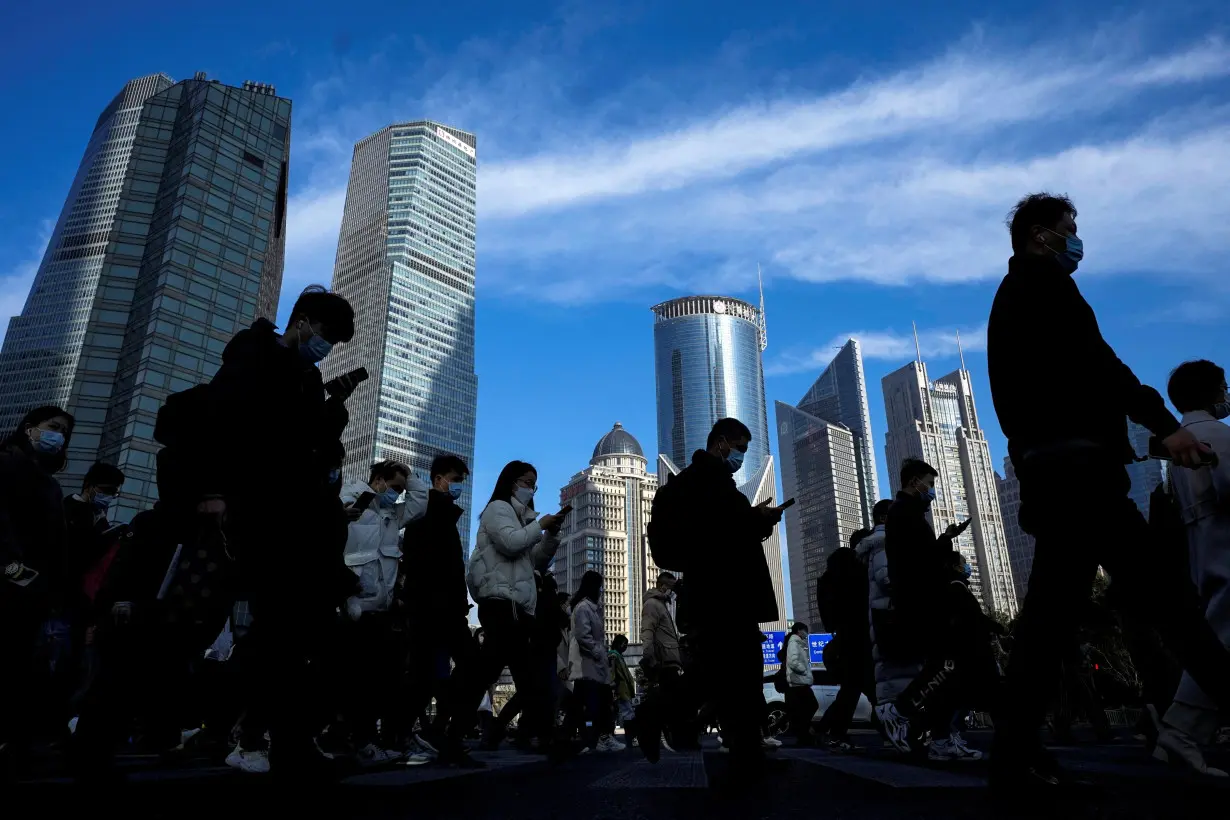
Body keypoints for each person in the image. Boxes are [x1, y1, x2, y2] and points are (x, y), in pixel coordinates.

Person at [986, 193, 1230, 791]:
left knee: (1049, 621)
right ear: (1041, 236)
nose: (1078, 241)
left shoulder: (1016, 296)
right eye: (1070, 230)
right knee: (1173, 604)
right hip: (1080, 478)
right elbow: (1102, 366)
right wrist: (1164, 425)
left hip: (1057, 473)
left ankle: (1013, 752)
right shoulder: (1044, 289)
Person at [191, 285, 359, 778]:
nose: (326, 347)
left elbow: (310, 443)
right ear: (302, 321)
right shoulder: (253, 355)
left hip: (299, 518)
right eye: (325, 335)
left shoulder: (308, 377)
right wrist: (216, 491)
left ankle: (281, 735)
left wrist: (334, 408)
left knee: (298, 634)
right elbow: (220, 423)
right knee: (274, 631)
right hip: (261, 512)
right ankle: (236, 732)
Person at [644, 417, 787, 776]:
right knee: (729, 673)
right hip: (726, 594)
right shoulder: (711, 485)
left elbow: (716, 533)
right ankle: (658, 713)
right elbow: (723, 535)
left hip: (711, 593)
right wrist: (759, 520)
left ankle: (742, 749)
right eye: (739, 448)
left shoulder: (698, 485)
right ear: (721, 443)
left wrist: (753, 520)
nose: (741, 455)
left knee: (730, 674)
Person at [1151, 360, 1230, 776]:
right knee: (1221, 637)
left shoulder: (1181, 443)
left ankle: (1180, 734)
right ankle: (1180, 731)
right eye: (1224, 386)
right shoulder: (1217, 435)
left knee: (1217, 633)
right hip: (1224, 537)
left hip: (1200, 542)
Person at [465, 461, 565, 754]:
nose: (529, 488)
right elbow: (510, 543)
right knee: (516, 673)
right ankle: (542, 737)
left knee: (520, 674)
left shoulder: (522, 517)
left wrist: (552, 534)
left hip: (517, 606)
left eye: (533, 484)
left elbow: (536, 559)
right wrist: (539, 526)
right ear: (511, 482)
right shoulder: (498, 509)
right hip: (500, 602)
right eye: (525, 481)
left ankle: (510, 733)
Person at [874, 459, 969, 754]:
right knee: (947, 664)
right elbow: (921, 561)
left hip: (920, 598)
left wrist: (944, 539)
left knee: (943, 666)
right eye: (929, 483)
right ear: (915, 481)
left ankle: (939, 737)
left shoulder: (908, 512)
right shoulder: (904, 512)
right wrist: (943, 545)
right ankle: (901, 712)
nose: (931, 490)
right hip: (920, 600)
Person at [0, 406, 74, 774]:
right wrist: (18, 573)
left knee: (21, 668)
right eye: (52, 427)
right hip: (13, 584)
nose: (58, 435)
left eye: (64, 432)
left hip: (31, 593)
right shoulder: (8, 463)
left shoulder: (48, 480)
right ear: (29, 429)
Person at [338, 459, 426, 766]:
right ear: (378, 479)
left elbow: (419, 505)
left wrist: (411, 478)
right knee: (354, 679)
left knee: (377, 680)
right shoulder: (348, 498)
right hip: (351, 606)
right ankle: (354, 739)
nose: (398, 494)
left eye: (402, 489)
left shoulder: (392, 515)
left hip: (381, 609)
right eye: (395, 487)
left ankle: (362, 739)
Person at [398, 453, 482, 767]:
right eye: (456, 480)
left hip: (446, 608)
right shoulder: (427, 513)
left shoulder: (444, 514)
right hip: (432, 607)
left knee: (440, 672)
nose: (460, 486)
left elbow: (451, 565)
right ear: (438, 480)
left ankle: (439, 732)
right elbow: (424, 562)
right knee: (426, 674)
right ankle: (418, 733)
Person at [814, 543, 872, 751]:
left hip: (844, 640)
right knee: (859, 689)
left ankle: (827, 731)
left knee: (851, 690)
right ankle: (831, 732)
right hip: (860, 639)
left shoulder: (829, 584)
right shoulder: (855, 581)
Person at [568, 570, 621, 753]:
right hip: (588, 662)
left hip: (592, 663)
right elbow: (584, 636)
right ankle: (597, 738)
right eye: (599, 586)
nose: (601, 590)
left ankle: (591, 739)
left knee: (585, 704)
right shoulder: (584, 608)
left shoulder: (592, 607)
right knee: (595, 703)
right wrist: (598, 652)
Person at [637, 571, 688, 756]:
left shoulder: (661, 605)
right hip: (664, 661)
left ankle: (667, 737)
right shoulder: (653, 604)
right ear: (663, 585)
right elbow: (647, 631)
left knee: (670, 700)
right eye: (671, 587)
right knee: (667, 700)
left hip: (670, 660)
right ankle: (649, 728)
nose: (672, 592)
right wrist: (649, 657)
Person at [782, 622, 818, 746]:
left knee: (802, 710)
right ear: (799, 630)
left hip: (799, 682)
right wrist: (804, 670)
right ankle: (805, 732)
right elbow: (793, 662)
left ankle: (804, 735)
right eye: (805, 630)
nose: (806, 633)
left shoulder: (796, 643)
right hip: (799, 682)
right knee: (811, 706)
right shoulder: (794, 643)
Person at [609, 635, 636, 742]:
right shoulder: (613, 656)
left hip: (623, 690)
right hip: (620, 690)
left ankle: (629, 738)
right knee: (628, 713)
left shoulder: (618, 656)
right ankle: (630, 738)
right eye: (625, 644)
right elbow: (612, 673)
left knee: (622, 713)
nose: (626, 647)